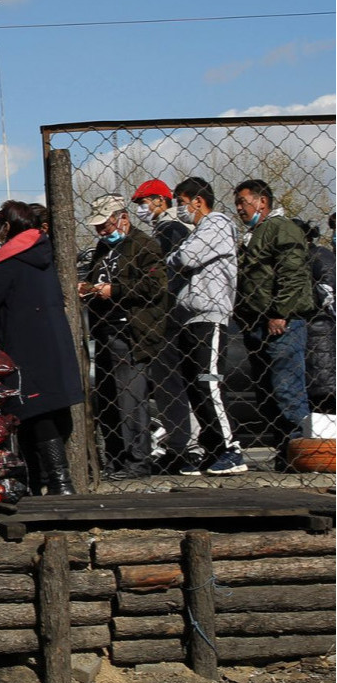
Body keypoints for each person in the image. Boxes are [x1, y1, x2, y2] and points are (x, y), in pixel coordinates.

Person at [0, 200, 82, 495]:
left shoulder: (8, 259)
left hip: (24, 346)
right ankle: (47, 482)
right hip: (52, 344)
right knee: (48, 408)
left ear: (7, 227)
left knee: (35, 408)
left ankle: (57, 481)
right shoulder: (42, 253)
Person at [81, 194, 168, 480]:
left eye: (105, 226)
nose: (102, 232)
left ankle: (138, 462)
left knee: (130, 400)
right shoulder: (103, 248)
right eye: (98, 228)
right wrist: (89, 288)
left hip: (131, 332)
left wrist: (114, 290)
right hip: (104, 330)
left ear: (122, 218)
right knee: (107, 400)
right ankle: (116, 460)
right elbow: (99, 279)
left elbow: (155, 286)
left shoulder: (145, 245)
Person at [233, 180, 314, 467]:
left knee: (287, 390)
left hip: (281, 324)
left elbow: (293, 272)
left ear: (262, 201)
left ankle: (303, 454)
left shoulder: (281, 228)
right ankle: (286, 452)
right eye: (237, 203)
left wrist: (281, 311)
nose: (239, 208)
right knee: (267, 394)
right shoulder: (254, 234)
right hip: (257, 324)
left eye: (243, 201)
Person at [169, 177, 244, 474]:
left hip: (210, 313)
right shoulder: (199, 230)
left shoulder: (217, 223)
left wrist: (175, 257)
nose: (180, 210)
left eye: (181, 203)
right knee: (195, 387)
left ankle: (231, 448)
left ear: (197, 201)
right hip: (191, 316)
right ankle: (213, 449)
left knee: (208, 382)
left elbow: (185, 257)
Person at [130, 177, 197, 473]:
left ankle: (190, 447)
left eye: (144, 203)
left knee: (174, 385)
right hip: (166, 317)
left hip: (170, 317)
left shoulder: (172, 230)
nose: (141, 209)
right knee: (168, 386)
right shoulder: (163, 230)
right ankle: (180, 445)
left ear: (160, 200)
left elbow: (169, 276)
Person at [294, 218, 335, 413]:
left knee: (325, 395)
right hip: (313, 336)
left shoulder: (317, 256)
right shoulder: (307, 257)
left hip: (321, 335)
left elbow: (329, 294)